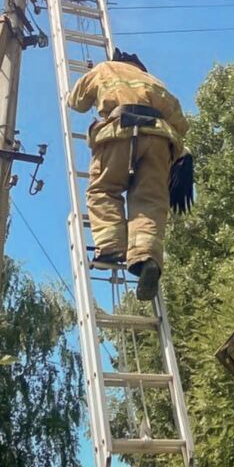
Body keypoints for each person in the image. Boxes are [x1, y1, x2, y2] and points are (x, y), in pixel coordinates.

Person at [68, 48, 190, 300]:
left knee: (104, 190)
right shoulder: (155, 82)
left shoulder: (105, 68)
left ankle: (111, 246)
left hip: (119, 131)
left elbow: (76, 102)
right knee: (150, 201)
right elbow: (182, 124)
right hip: (159, 141)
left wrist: (92, 77)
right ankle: (146, 257)